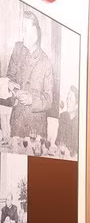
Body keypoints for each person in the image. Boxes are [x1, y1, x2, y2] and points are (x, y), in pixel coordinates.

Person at [2, 11, 54, 139]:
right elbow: (10, 78)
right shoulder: (17, 49)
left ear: (35, 34)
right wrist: (12, 88)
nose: (22, 34)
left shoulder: (46, 62)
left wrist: (32, 100)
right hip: (17, 123)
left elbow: (49, 100)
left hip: (36, 129)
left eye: (25, 30)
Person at [55, 86, 80, 156]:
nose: (67, 102)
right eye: (67, 98)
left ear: (77, 104)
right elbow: (58, 141)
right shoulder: (63, 116)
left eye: (70, 99)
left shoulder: (80, 121)